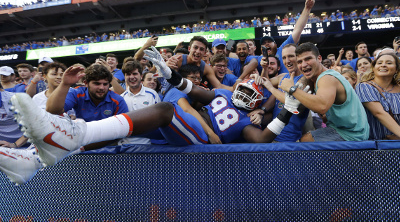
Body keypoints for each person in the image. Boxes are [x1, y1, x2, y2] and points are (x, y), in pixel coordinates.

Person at [2, 47, 306, 185]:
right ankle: (34, 161)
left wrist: (288, 111)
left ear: (256, 102)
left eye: (251, 94)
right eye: (243, 88)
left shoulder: (244, 123)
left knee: (164, 110)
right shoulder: (222, 93)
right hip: (183, 130)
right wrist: (169, 74)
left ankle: (72, 135)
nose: (244, 94)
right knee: (116, 132)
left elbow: (264, 138)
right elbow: (195, 91)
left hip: (201, 141)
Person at [279, 42, 369, 142]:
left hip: (351, 134)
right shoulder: (319, 77)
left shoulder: (326, 78)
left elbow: (321, 106)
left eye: (308, 59)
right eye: (299, 61)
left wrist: (292, 88)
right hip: (354, 130)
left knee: (304, 142)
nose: (304, 64)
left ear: (319, 58)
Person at [46, 64, 129, 121]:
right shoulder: (76, 93)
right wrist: (65, 84)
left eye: (105, 84)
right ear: (86, 83)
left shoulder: (118, 100)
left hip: (109, 145)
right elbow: (52, 110)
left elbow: (123, 129)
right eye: (97, 83)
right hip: (81, 143)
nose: (101, 87)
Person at [260, 0, 315, 74]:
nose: (266, 44)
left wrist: (307, 9)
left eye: (269, 42)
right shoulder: (260, 59)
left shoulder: (283, 49)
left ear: (275, 44)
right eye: (264, 43)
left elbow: (297, 29)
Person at [356, 54, 400, 140]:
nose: (383, 65)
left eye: (389, 63)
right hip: (376, 147)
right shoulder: (364, 87)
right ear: (374, 67)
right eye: (379, 63)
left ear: (396, 69)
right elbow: (379, 113)